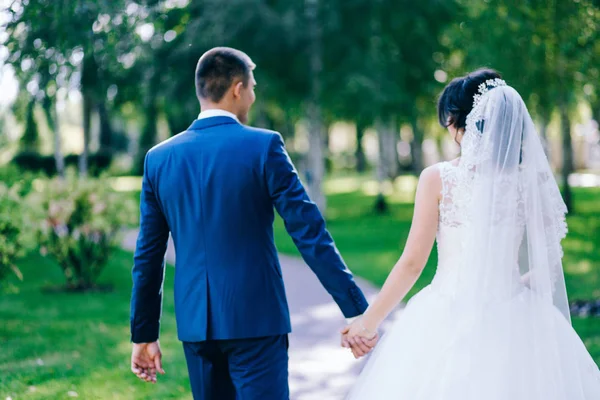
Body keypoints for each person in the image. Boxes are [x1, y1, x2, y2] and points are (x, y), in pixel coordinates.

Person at [129, 47, 375, 399]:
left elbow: (147, 256)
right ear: (237, 88)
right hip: (256, 321)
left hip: (196, 326)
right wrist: (356, 309)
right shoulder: (264, 146)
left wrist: (143, 334)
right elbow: (309, 233)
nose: (254, 96)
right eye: (253, 87)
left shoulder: (159, 159)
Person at [342, 69, 600, 399]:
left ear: (460, 122)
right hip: (516, 313)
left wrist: (368, 323)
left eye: (449, 122)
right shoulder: (529, 182)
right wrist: (511, 287)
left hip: (447, 311)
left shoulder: (439, 178)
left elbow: (412, 264)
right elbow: (548, 260)